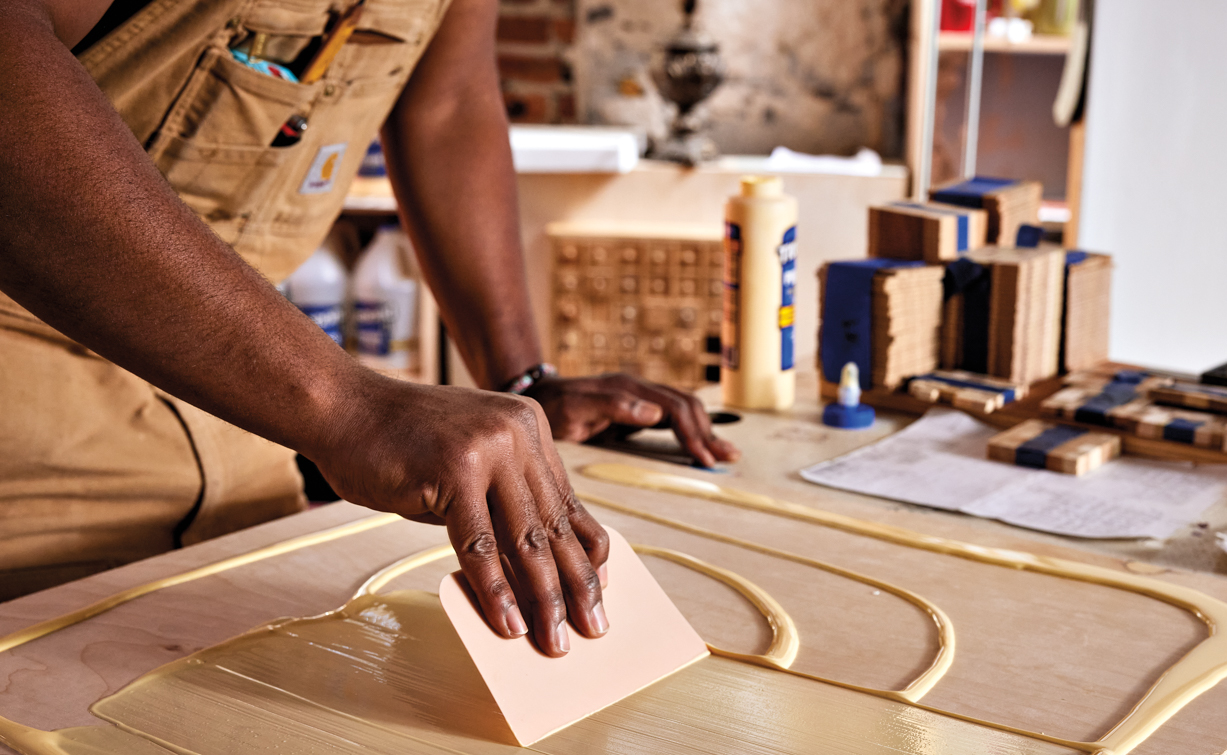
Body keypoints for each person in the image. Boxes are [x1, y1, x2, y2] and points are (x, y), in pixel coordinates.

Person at [0, 0, 739, 653]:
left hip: (244, 448)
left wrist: (525, 378)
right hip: (26, 467)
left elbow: (448, 103)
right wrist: (347, 404)